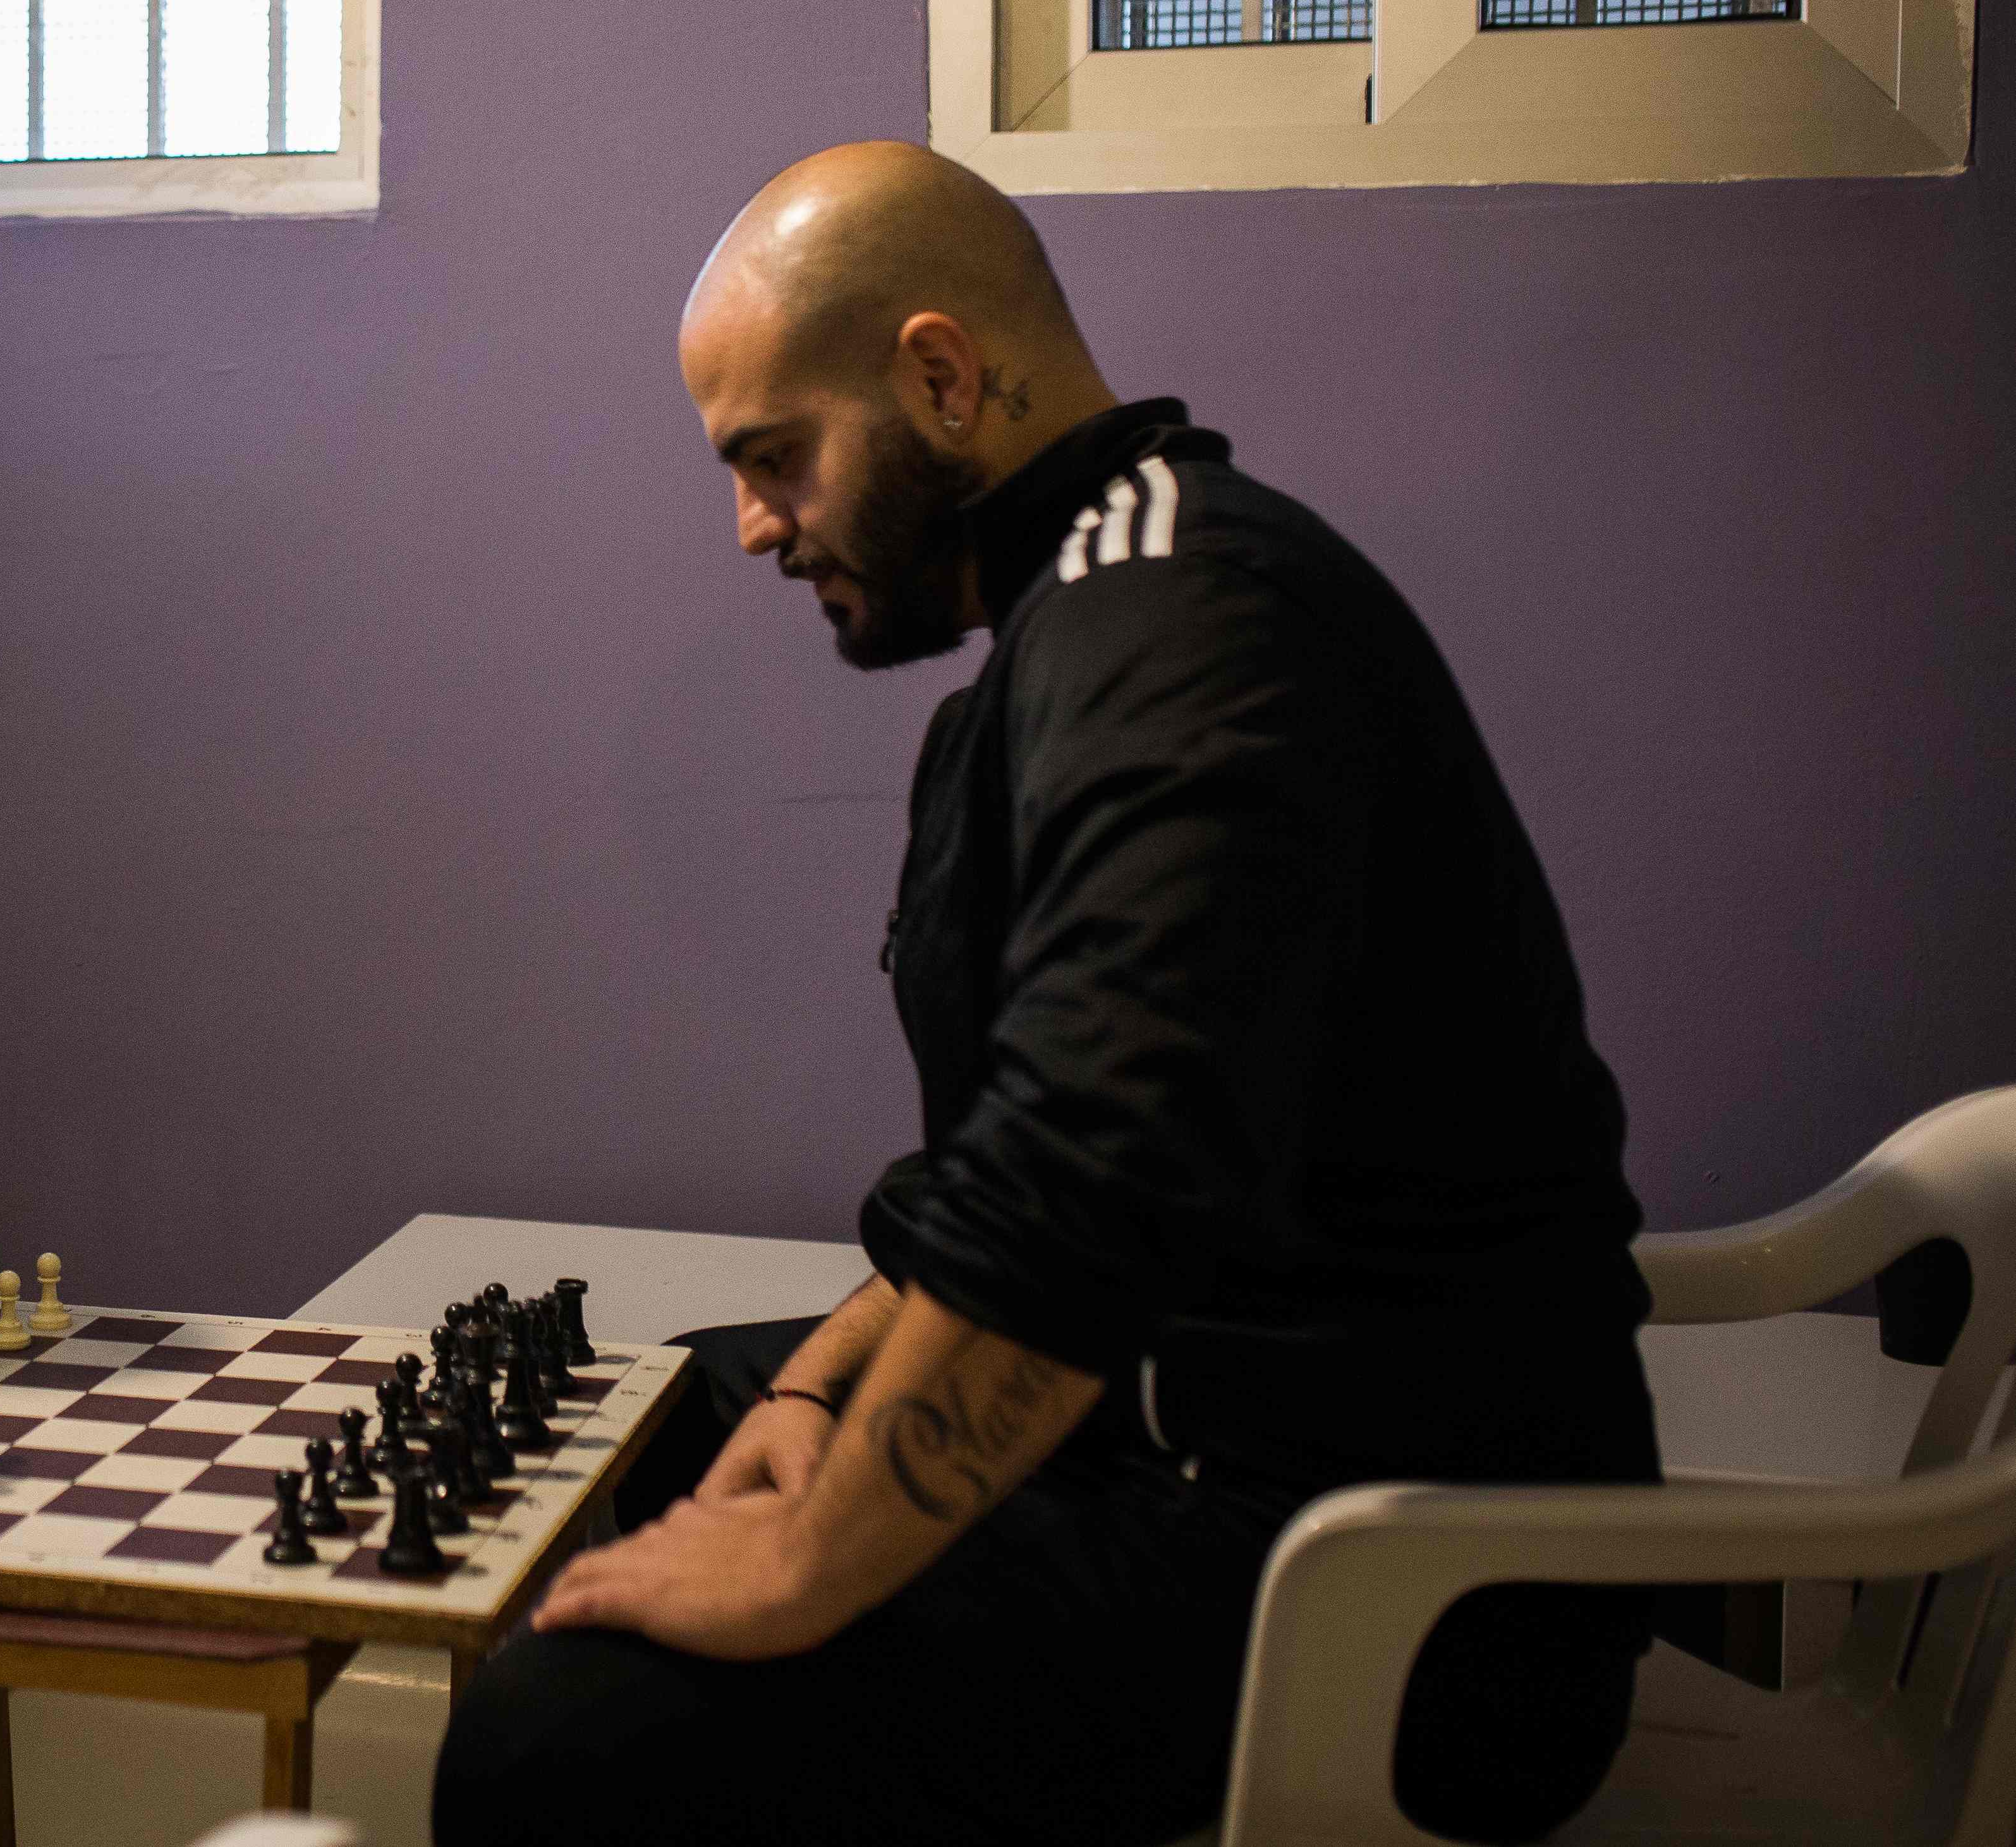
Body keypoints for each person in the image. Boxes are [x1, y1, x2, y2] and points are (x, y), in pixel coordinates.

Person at [433, 143, 1659, 1847]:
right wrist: (810, 1393)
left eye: (774, 457)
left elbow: (1095, 1167)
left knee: (551, 1740)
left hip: (1388, 1573)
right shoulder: (1076, 626)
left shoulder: (1180, 618)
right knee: (661, 1412)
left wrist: (808, 1557)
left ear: (937, 375)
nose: (751, 528)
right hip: (1184, 1427)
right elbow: (1009, 1165)